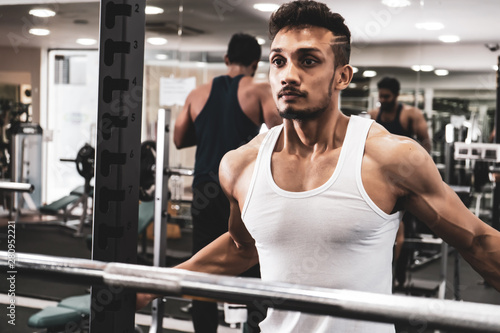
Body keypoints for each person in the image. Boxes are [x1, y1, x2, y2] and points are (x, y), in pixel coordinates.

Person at [139, 1, 500, 332]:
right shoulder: (240, 165)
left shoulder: (389, 158)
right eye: (279, 61)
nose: (288, 74)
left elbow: (479, 242)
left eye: (308, 61)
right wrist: (152, 286)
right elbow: (242, 247)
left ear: (343, 76)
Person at [173, 33, 282, 333]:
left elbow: (179, 138)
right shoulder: (259, 90)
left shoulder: (197, 93)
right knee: (251, 266)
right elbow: (285, 140)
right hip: (242, 191)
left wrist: (211, 131)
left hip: (203, 190)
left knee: (202, 272)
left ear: (226, 60)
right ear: (254, 64)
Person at [369, 77, 432, 289]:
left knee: (406, 232)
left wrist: (419, 174)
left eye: (386, 96)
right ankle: (382, 274)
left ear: (396, 95)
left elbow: (425, 143)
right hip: (380, 180)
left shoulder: (410, 115)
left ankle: (401, 275)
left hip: (405, 179)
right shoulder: (372, 116)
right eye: (381, 95)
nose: (382, 99)